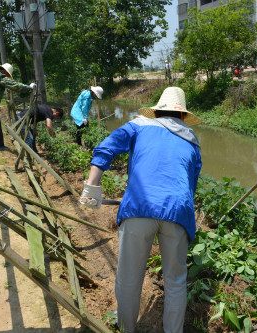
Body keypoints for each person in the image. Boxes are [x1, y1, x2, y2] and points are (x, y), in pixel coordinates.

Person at [79, 87, 202, 333]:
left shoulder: (138, 125)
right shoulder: (191, 140)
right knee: (176, 282)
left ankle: (127, 329)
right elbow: (191, 183)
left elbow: (107, 147)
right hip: (178, 212)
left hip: (139, 208)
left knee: (129, 279)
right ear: (182, 115)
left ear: (156, 110)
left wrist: (91, 187)